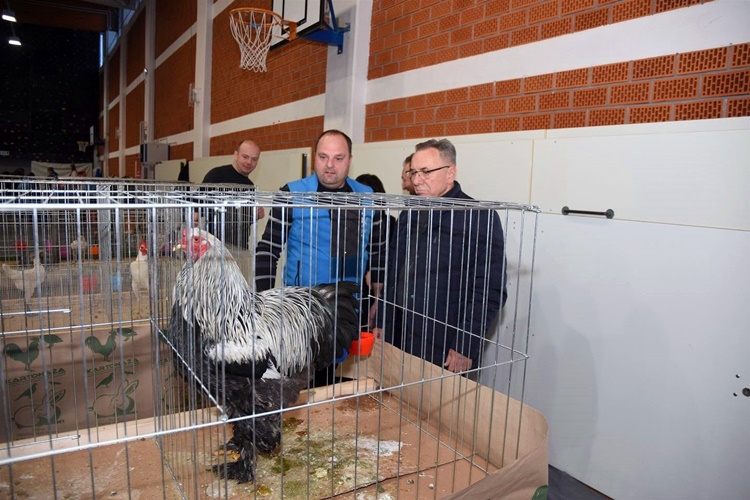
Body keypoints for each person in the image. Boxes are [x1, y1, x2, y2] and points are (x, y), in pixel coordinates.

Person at [254, 130, 388, 385]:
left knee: (330, 378)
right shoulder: (291, 193)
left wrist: (378, 304)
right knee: (296, 379)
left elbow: (379, 254)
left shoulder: (369, 198)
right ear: (314, 157)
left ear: (350, 160)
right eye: (323, 157)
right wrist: (263, 305)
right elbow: (268, 249)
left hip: (346, 309)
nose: (329, 165)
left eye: (338, 158)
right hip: (300, 309)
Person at [374, 138, 506, 375]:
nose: (416, 180)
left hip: (445, 345)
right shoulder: (409, 213)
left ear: (450, 173)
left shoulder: (479, 217)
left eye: (426, 172)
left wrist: (465, 345)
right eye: (413, 172)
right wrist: (382, 321)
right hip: (399, 336)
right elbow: (392, 271)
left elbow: (489, 290)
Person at [199, 139, 265, 247]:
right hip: (214, 247)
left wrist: (255, 214)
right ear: (236, 154)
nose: (249, 162)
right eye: (245, 157)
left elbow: (243, 220)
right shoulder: (216, 175)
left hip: (240, 248)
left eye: (254, 159)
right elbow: (197, 211)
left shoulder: (250, 186)